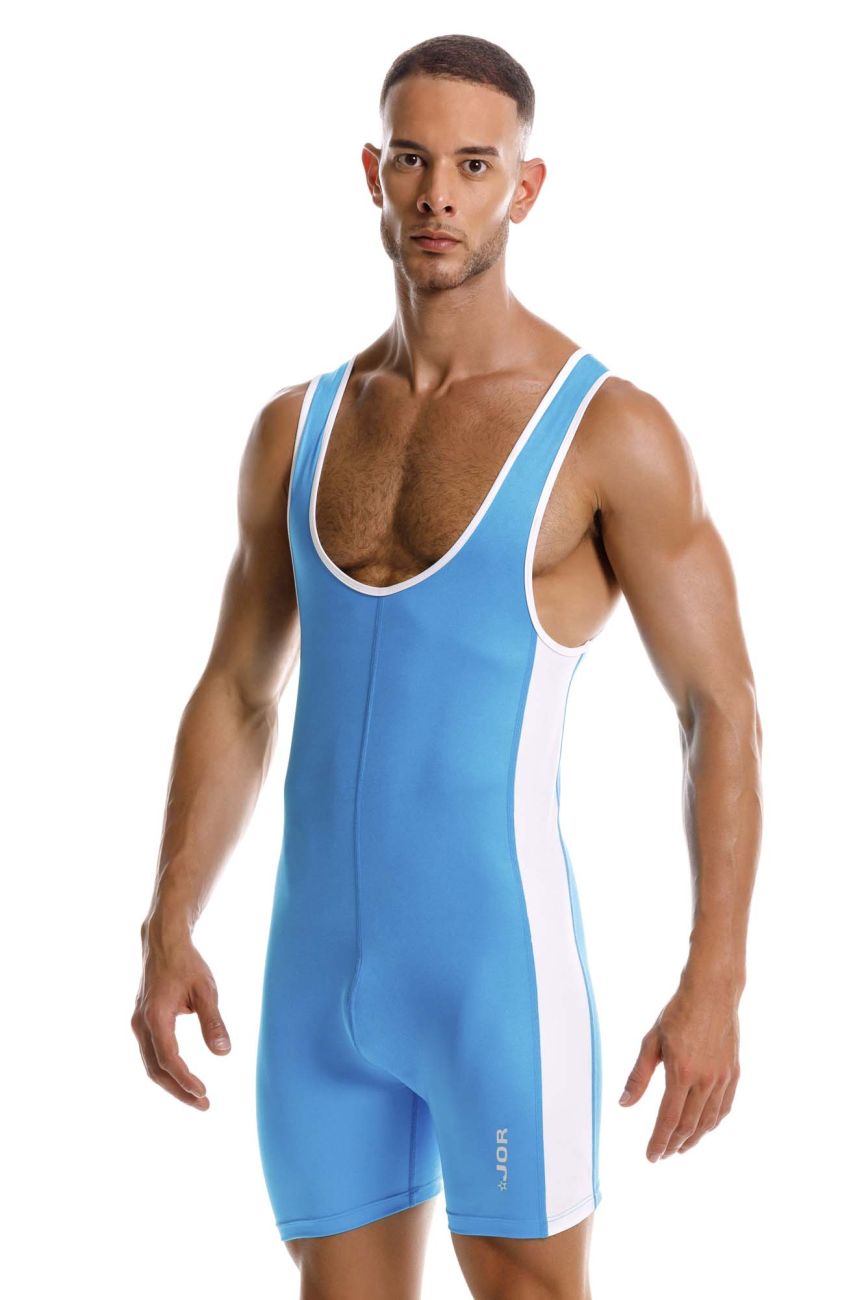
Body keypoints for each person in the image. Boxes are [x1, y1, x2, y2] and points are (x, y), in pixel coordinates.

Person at [131, 33, 762, 1300]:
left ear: (523, 188)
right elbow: (238, 690)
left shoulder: (607, 432)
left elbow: (718, 710)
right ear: (372, 173)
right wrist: (169, 920)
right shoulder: (294, 430)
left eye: (475, 166)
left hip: (493, 984)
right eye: (412, 161)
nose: (438, 195)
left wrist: (714, 979)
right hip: (314, 986)